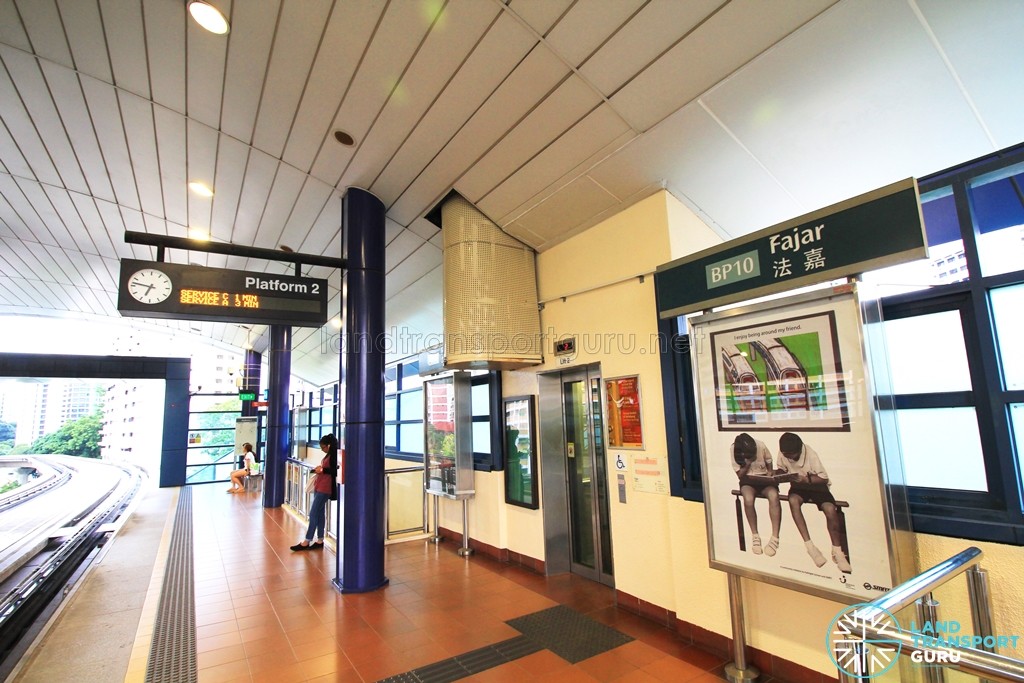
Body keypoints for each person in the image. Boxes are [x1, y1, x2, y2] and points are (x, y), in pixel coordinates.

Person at [776, 432, 851, 573]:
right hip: (798, 486)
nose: (789, 458)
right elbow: (782, 468)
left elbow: (823, 478)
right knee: (793, 501)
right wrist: (778, 474)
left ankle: (837, 551)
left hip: (816, 485)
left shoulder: (810, 453)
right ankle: (810, 547)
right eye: (786, 455)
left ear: (799, 450)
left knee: (830, 509)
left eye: (792, 455)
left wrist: (806, 480)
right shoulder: (783, 452)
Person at [731, 432, 782, 557]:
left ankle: (775, 537)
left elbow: (769, 460)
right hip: (747, 479)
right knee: (748, 499)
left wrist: (770, 472)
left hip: (764, 478)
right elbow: (739, 474)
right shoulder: (734, 449)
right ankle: (755, 536)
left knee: (774, 496)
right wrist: (748, 463)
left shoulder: (760, 444)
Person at [291, 433, 339, 551]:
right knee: (320, 513)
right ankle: (320, 539)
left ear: (328, 445)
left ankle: (307, 540)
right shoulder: (329, 455)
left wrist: (322, 470)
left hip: (325, 488)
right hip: (320, 486)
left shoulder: (334, 455)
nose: (322, 450)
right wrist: (320, 469)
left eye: (323, 447)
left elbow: (334, 470)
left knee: (313, 513)